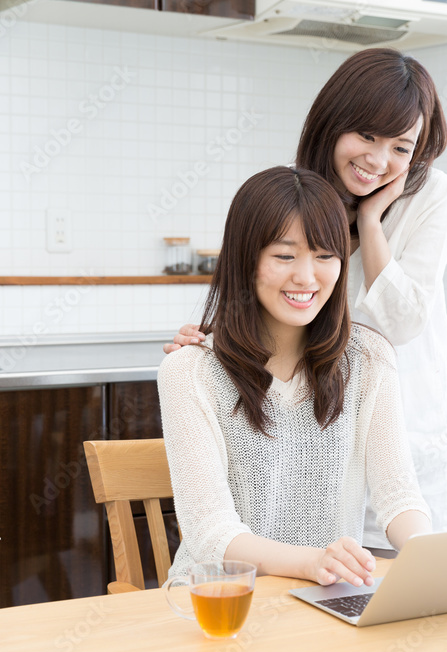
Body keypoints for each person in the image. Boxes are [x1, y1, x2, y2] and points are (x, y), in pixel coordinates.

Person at [166, 48, 447, 550]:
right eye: (366, 135)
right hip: (310, 461)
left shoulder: (428, 194)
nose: (378, 160)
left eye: (401, 147)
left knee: (392, 586)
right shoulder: (295, 193)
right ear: (332, 123)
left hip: (400, 429)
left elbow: (403, 322)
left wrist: (370, 222)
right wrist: (213, 339)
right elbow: (261, 290)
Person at [159, 166, 431, 586]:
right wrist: (310, 562)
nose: (307, 277)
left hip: (325, 598)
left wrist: (429, 552)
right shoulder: (190, 370)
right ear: (245, 260)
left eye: (325, 255)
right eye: (284, 256)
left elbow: (398, 494)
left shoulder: (370, 358)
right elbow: (209, 531)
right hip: (221, 605)